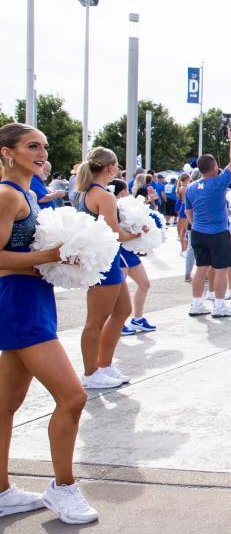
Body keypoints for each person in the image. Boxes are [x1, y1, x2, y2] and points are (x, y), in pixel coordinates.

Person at [0, 122, 98, 524]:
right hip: (18, 305)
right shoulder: (7, 194)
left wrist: (61, 259)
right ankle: (63, 488)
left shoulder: (26, 192)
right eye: (31, 146)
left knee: (5, 405)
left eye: (43, 146)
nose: (41, 153)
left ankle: (2, 492)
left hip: (31, 299)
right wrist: (52, 256)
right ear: (7, 153)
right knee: (73, 397)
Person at [76, 148, 143, 389]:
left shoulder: (87, 192)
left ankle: (104, 365)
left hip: (106, 259)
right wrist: (137, 234)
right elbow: (113, 232)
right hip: (104, 260)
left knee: (123, 309)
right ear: (110, 168)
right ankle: (91, 372)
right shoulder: (104, 195)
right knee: (95, 320)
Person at [184, 127, 231, 318]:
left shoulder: (190, 188)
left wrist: (198, 224)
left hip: (199, 232)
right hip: (218, 232)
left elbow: (188, 212)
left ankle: (196, 304)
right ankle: (219, 306)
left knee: (200, 269)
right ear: (215, 166)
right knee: (222, 270)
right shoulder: (218, 182)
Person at [110, 179, 157, 334]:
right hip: (121, 250)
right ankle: (117, 323)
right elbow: (119, 233)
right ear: (123, 191)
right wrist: (139, 232)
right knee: (118, 290)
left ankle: (137, 319)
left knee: (144, 284)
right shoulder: (115, 206)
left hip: (128, 251)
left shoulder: (124, 206)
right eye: (126, 190)